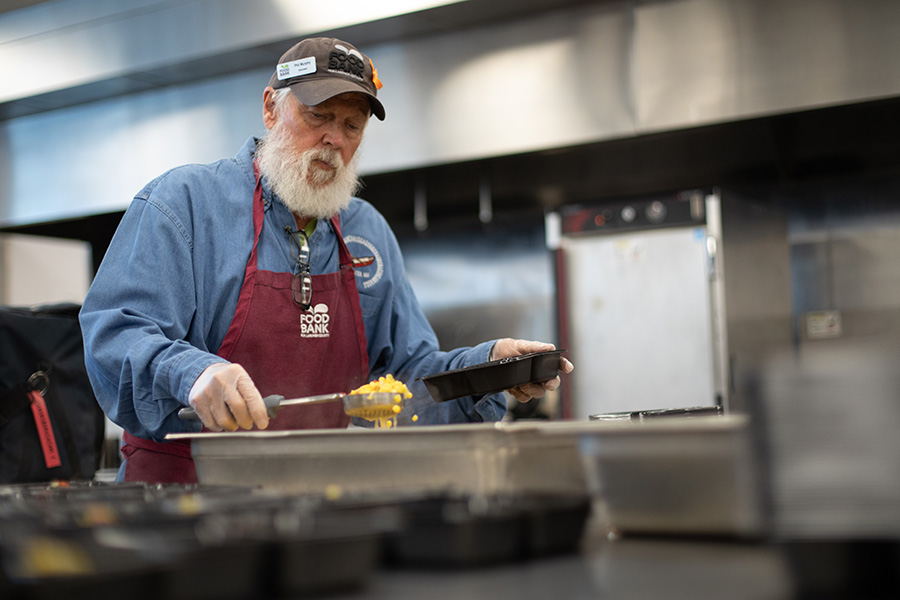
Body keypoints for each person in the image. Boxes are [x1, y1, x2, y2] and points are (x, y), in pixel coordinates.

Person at [79, 37, 574, 484]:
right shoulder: (185, 204)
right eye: (318, 116)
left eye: (351, 125)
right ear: (271, 108)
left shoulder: (367, 231)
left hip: (324, 501)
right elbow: (116, 333)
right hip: (182, 499)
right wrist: (191, 373)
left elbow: (408, 381)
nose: (334, 139)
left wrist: (483, 368)